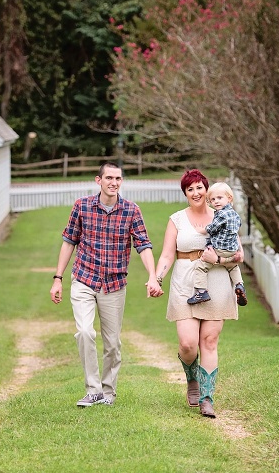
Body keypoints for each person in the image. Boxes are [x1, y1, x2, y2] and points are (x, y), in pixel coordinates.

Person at [50, 162, 163, 408]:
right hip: (84, 279)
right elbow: (69, 241)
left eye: (118, 178)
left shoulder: (131, 210)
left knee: (112, 344)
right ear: (98, 180)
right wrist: (57, 278)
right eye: (109, 178)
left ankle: (108, 391)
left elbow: (143, 245)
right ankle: (93, 390)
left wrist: (153, 276)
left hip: (114, 284)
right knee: (85, 332)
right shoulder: (82, 206)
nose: (114, 182)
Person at [154, 169, 243, 418]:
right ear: (185, 193)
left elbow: (238, 255)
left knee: (210, 341)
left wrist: (218, 259)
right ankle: (191, 377)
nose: (196, 192)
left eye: (199, 187)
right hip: (184, 282)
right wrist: (157, 278)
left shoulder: (224, 214)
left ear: (207, 190)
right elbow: (167, 254)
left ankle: (206, 398)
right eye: (190, 189)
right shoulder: (177, 219)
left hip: (216, 282)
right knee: (188, 343)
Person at [187, 182, 248, 307]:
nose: (216, 202)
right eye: (213, 199)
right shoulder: (235, 215)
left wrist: (201, 230)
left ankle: (201, 292)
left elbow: (212, 228)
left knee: (201, 266)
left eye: (219, 198)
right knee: (233, 267)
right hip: (232, 249)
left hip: (219, 249)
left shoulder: (221, 214)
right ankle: (239, 285)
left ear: (229, 198)